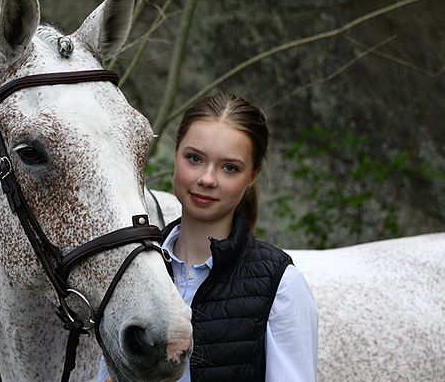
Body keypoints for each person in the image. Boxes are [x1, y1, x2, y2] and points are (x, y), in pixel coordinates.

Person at [99, 93, 318, 381]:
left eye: (230, 168)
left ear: (252, 176)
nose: (207, 179)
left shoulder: (281, 286)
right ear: (176, 155)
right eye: (194, 158)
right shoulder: (130, 270)